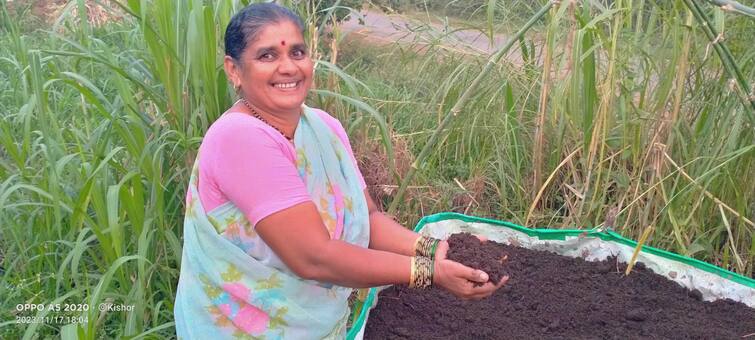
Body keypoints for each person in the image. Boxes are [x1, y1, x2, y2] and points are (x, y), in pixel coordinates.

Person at [174, 3, 507, 339]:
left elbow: (368, 221)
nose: (288, 67)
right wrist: (429, 272)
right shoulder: (238, 139)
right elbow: (315, 258)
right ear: (234, 70)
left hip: (318, 326)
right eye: (267, 56)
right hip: (243, 329)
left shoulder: (324, 128)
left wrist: (437, 249)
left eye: (298, 52)